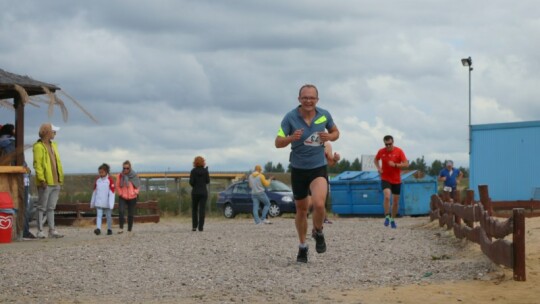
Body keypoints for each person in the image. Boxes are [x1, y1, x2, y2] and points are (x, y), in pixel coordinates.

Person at [275, 84, 340, 263]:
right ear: (299, 99)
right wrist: (290, 138)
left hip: (318, 167)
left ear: (317, 100)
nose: (308, 101)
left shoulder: (324, 115)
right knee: (301, 210)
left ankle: (318, 231)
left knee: (319, 204)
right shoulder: (290, 118)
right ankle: (302, 246)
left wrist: (330, 137)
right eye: (305, 98)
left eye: (312, 98)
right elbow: (278, 142)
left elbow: (336, 132)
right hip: (298, 169)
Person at [0, 124, 35, 239]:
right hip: (19, 177)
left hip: (5, 178)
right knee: (22, 203)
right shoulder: (13, 143)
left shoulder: (2, 143)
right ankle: (23, 231)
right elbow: (18, 161)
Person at [33, 123, 64, 238]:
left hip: (56, 182)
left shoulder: (54, 145)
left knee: (51, 207)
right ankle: (40, 231)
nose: (55, 133)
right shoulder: (38, 147)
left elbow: (57, 162)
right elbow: (38, 164)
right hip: (45, 182)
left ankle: (52, 230)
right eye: (53, 131)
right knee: (42, 207)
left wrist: (60, 180)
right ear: (47, 132)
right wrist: (41, 179)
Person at [374, 135, 408, 229]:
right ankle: (387, 216)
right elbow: (376, 160)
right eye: (386, 144)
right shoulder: (381, 151)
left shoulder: (399, 151)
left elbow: (406, 164)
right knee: (387, 196)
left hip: (396, 180)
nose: (388, 146)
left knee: (396, 202)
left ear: (393, 142)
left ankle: (393, 219)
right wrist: (379, 168)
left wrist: (396, 165)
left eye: (390, 144)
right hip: (385, 178)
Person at [90, 163, 115, 236]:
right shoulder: (98, 180)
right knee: (99, 216)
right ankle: (98, 229)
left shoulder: (110, 180)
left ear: (106, 172)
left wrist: (111, 203)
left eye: (102, 172)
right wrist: (93, 202)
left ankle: (109, 229)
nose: (100, 174)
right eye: (99, 172)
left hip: (107, 203)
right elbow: (94, 191)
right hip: (99, 202)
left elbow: (112, 192)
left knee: (108, 216)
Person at [116, 160, 140, 234]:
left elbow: (138, 185)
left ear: (130, 168)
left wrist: (135, 192)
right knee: (121, 211)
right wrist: (120, 193)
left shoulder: (134, 175)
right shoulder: (120, 176)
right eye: (124, 168)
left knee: (130, 213)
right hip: (123, 196)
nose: (125, 170)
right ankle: (121, 228)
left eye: (127, 168)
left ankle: (129, 229)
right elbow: (117, 185)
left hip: (132, 197)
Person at [189, 156, 209, 232]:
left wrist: (195, 185)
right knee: (202, 209)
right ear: (203, 162)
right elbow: (207, 181)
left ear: (195, 162)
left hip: (195, 192)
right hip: (203, 192)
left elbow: (191, 182)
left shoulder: (193, 171)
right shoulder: (205, 171)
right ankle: (201, 227)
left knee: (194, 209)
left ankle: (194, 226)